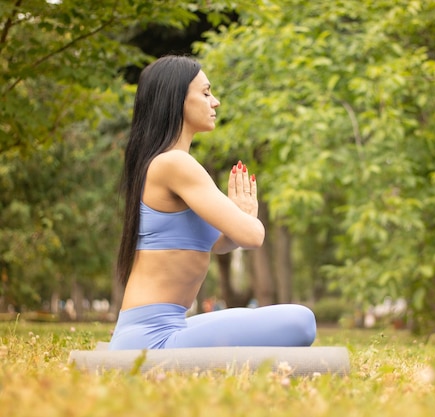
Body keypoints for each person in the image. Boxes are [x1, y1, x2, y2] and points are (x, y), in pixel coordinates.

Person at [108, 55, 317, 350]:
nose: (215, 102)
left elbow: (219, 244)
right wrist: (245, 220)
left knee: (271, 318)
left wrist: (241, 218)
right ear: (177, 99)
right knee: (301, 321)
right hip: (151, 337)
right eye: (206, 93)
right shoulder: (175, 164)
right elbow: (253, 236)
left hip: (164, 327)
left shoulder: (166, 163)